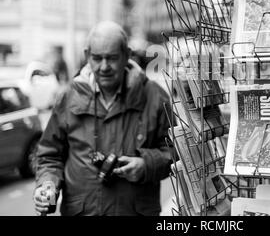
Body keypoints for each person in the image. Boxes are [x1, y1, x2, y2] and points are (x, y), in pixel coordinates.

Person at [33, 21, 172, 216]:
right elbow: (50, 155)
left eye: (112, 58)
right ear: (87, 55)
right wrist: (48, 184)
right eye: (97, 58)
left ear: (127, 54)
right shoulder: (68, 97)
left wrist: (146, 165)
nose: (104, 67)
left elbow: (176, 152)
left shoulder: (155, 97)